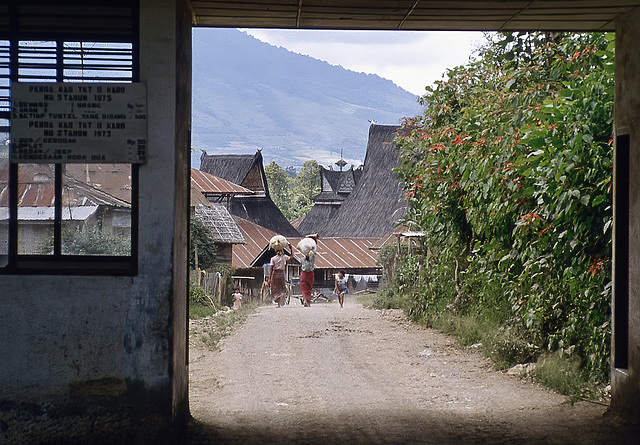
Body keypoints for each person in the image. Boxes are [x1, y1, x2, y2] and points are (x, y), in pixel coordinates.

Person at [297, 234, 318, 307]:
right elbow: (314, 251)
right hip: (310, 274)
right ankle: (307, 301)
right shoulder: (312, 259)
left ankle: (305, 300)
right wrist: (315, 242)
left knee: (304, 288)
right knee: (309, 288)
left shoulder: (302, 259)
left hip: (304, 274)